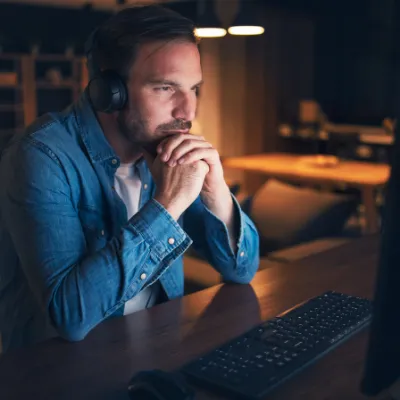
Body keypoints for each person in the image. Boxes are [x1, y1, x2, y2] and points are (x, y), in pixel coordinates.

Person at [0, 5, 259, 353]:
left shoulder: (164, 149)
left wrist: (217, 195)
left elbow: (241, 270)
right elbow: (70, 317)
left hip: (158, 352)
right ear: (109, 92)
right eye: (166, 88)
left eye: (194, 88)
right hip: (63, 372)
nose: (188, 111)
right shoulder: (40, 157)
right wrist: (168, 206)